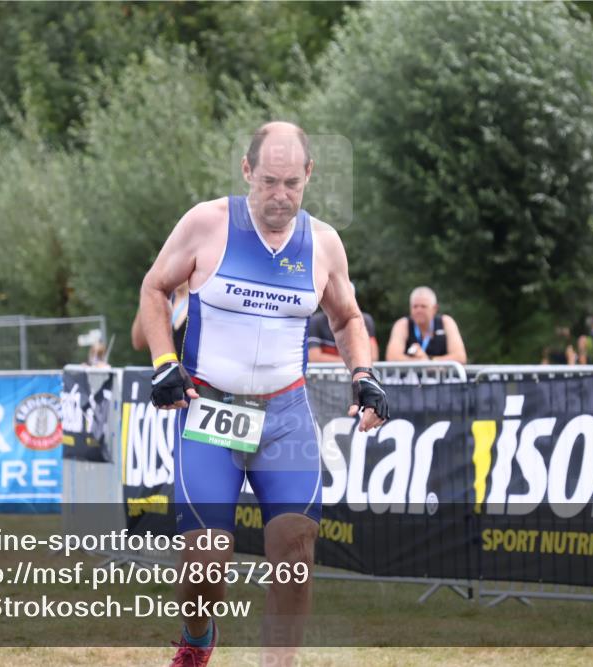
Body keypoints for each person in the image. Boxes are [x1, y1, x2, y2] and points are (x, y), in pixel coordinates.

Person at [139, 122, 388, 667]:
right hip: (210, 408)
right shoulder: (208, 223)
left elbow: (346, 317)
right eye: (269, 181)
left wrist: (363, 375)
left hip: (286, 415)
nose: (280, 196)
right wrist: (164, 363)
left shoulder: (323, 242)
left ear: (309, 177)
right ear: (247, 171)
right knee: (206, 559)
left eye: (292, 183)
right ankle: (198, 635)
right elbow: (155, 287)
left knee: (295, 551)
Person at [385, 286, 467, 364]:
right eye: (415, 306)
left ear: (435, 308)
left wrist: (429, 361)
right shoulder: (402, 325)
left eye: (423, 306)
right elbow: (392, 357)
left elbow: (460, 357)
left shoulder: (446, 322)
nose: (418, 310)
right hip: (409, 378)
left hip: (441, 377)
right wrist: (420, 363)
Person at [307, 282, 379, 362]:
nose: (341, 304)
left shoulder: (365, 320)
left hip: (353, 371)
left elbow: (373, 356)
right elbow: (314, 357)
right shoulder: (316, 321)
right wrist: (354, 363)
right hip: (328, 373)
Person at [131, 281, 190, 355]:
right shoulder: (165, 298)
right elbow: (139, 343)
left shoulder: (200, 301)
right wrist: (146, 295)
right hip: (167, 364)